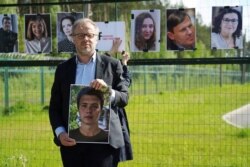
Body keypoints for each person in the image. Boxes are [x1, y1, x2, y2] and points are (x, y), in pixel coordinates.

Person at [49, 18, 132, 167]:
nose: (85, 39)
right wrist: (60, 133)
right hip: (71, 143)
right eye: (80, 35)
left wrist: (107, 91)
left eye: (90, 35)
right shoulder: (62, 69)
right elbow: (54, 107)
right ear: (72, 39)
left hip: (105, 144)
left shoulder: (112, 65)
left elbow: (124, 97)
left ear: (97, 38)